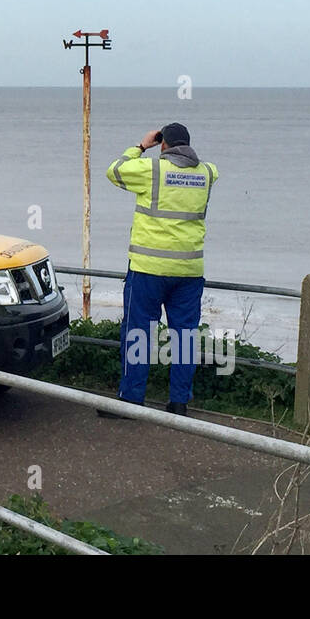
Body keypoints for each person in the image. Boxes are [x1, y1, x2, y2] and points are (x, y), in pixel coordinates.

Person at [102, 122, 219, 417]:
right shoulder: (207, 173)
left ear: (163, 144)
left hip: (148, 268)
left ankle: (131, 401)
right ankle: (179, 402)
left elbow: (115, 170)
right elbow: (209, 169)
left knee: (138, 332)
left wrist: (141, 146)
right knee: (184, 336)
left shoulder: (152, 170)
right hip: (189, 271)